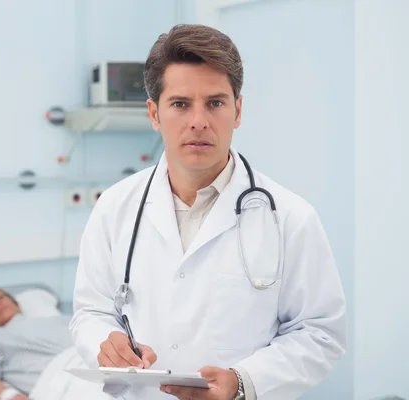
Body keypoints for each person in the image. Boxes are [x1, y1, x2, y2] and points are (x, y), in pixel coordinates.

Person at [69, 24, 347, 400]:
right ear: (154, 113)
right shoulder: (115, 208)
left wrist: (243, 381)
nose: (198, 120)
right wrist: (106, 341)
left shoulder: (290, 218)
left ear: (238, 111)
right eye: (180, 104)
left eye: (215, 103)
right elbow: (91, 311)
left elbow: (320, 334)